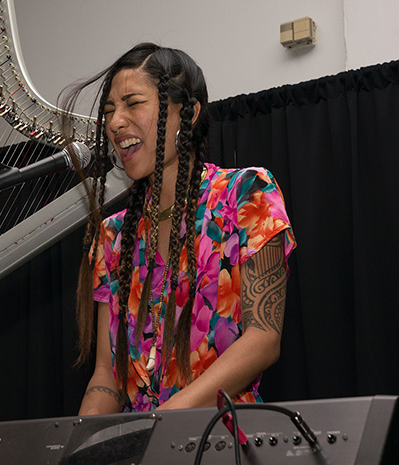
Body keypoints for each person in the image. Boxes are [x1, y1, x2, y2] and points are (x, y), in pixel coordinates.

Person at [61, 43, 296, 414]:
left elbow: (263, 339)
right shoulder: (112, 235)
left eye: (132, 103)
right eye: (109, 111)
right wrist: (82, 445)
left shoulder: (246, 194)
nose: (115, 122)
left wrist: (161, 424)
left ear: (187, 113)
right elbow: (106, 375)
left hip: (220, 438)